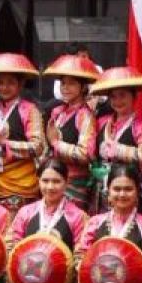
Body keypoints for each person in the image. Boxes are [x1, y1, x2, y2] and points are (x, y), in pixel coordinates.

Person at [5, 159, 86, 283]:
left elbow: (81, 253)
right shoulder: (25, 212)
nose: (50, 187)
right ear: (38, 181)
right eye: (45, 181)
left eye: (56, 181)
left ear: (66, 182)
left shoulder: (77, 216)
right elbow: (12, 247)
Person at [0, 53, 46, 217]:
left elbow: (38, 147)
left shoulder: (30, 110)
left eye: (10, 82)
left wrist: (5, 143)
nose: (4, 87)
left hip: (21, 183)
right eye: (0, 83)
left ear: (20, 84)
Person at [89, 67, 142, 213]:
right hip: (101, 188)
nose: (117, 101)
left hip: (127, 188)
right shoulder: (101, 122)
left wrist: (118, 150)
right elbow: (90, 151)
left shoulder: (141, 126)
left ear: (133, 97)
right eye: (113, 97)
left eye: (122, 95)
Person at [42, 54, 101, 212]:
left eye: (71, 83)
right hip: (52, 180)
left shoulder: (85, 115)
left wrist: (56, 143)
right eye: (63, 83)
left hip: (74, 185)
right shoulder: (58, 111)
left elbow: (86, 154)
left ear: (83, 87)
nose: (65, 88)